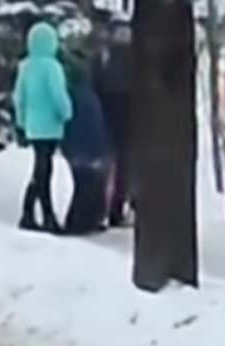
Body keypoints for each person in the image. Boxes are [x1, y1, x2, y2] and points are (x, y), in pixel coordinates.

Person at [13, 21, 73, 233]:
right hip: (50, 125)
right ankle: (45, 215)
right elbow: (59, 95)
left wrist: (21, 121)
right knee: (44, 170)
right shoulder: (52, 67)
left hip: (32, 125)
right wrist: (67, 113)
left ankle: (29, 212)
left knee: (41, 168)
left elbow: (18, 97)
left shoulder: (25, 66)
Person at [60, 55, 111, 236]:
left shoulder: (71, 96)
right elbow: (95, 129)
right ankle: (79, 223)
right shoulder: (90, 98)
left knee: (82, 186)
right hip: (89, 151)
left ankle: (80, 221)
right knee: (87, 187)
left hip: (75, 150)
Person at [93, 15, 133, 228]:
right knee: (125, 166)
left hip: (106, 117)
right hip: (128, 119)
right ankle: (118, 208)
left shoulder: (104, 58)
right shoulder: (136, 59)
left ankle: (102, 207)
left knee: (107, 165)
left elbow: (96, 85)